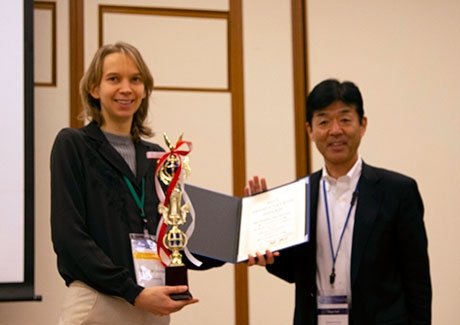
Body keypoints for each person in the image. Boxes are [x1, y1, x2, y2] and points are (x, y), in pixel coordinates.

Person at [51, 42, 222, 325]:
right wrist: (133, 292)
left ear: (145, 89)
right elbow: (69, 238)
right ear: (94, 89)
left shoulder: (159, 156)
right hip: (98, 303)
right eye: (114, 79)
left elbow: (178, 238)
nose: (126, 88)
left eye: (136, 79)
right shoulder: (73, 145)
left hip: (153, 305)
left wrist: (243, 245)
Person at [246, 79, 432, 325]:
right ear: (310, 130)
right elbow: (295, 272)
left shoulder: (398, 191)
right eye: (323, 121)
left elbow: (417, 280)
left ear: (362, 124)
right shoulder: (296, 196)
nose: (335, 130)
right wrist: (266, 237)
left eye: (345, 119)